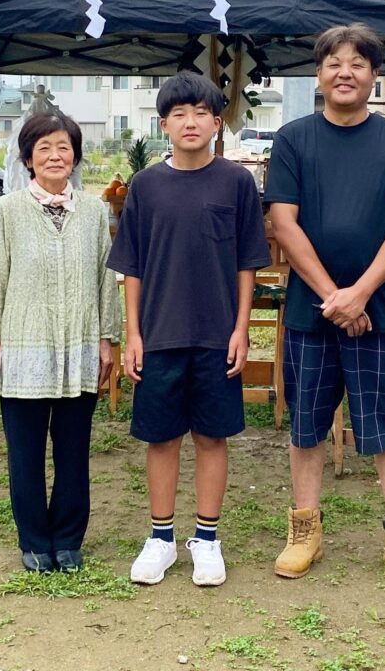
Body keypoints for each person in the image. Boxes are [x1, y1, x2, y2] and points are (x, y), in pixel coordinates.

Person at [265, 23, 385, 589]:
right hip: (310, 314)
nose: (345, 72)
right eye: (334, 63)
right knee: (307, 425)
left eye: (357, 64)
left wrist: (360, 293)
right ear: (318, 74)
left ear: (374, 76)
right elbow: (282, 223)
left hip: (379, 311)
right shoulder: (293, 140)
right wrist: (333, 297)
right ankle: (304, 531)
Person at [107, 72, 270, 587]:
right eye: (179, 114)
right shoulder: (146, 186)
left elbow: (247, 262)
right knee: (160, 438)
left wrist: (241, 329)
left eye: (201, 113)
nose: (190, 122)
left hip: (217, 335)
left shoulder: (236, 183)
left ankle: (207, 539)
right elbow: (131, 266)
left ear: (217, 123)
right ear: (164, 125)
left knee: (212, 437)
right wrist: (133, 334)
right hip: (158, 333)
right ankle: (160, 539)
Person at [0, 112, 121, 573]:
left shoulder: (94, 212)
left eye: (63, 147)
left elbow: (105, 279)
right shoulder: (8, 210)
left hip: (79, 346)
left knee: (73, 451)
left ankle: (69, 539)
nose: (55, 156)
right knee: (25, 454)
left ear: (75, 157)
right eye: (44, 148)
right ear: (28, 159)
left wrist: (107, 339)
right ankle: (35, 541)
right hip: (24, 349)